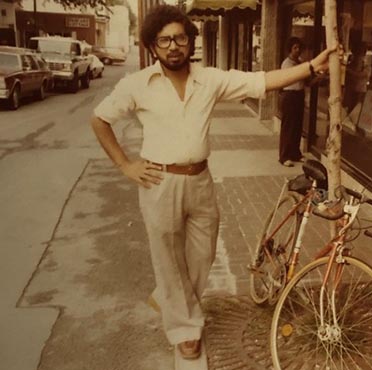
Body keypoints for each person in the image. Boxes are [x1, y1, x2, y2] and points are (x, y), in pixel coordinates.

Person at [90, 4, 334, 362]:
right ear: (152, 46)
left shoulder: (210, 80)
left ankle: (172, 298)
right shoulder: (137, 85)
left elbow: (262, 80)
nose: (174, 46)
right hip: (159, 182)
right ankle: (185, 329)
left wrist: (313, 66)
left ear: (190, 40)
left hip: (200, 180)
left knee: (201, 253)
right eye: (164, 40)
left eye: (180, 38)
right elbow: (99, 119)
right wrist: (125, 165)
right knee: (168, 259)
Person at [279, 37, 306, 167]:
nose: (298, 50)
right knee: (288, 127)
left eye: (299, 47)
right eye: (295, 47)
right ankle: (284, 156)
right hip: (289, 95)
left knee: (297, 126)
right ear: (290, 49)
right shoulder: (287, 64)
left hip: (299, 95)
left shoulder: (300, 62)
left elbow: (305, 81)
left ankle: (295, 153)